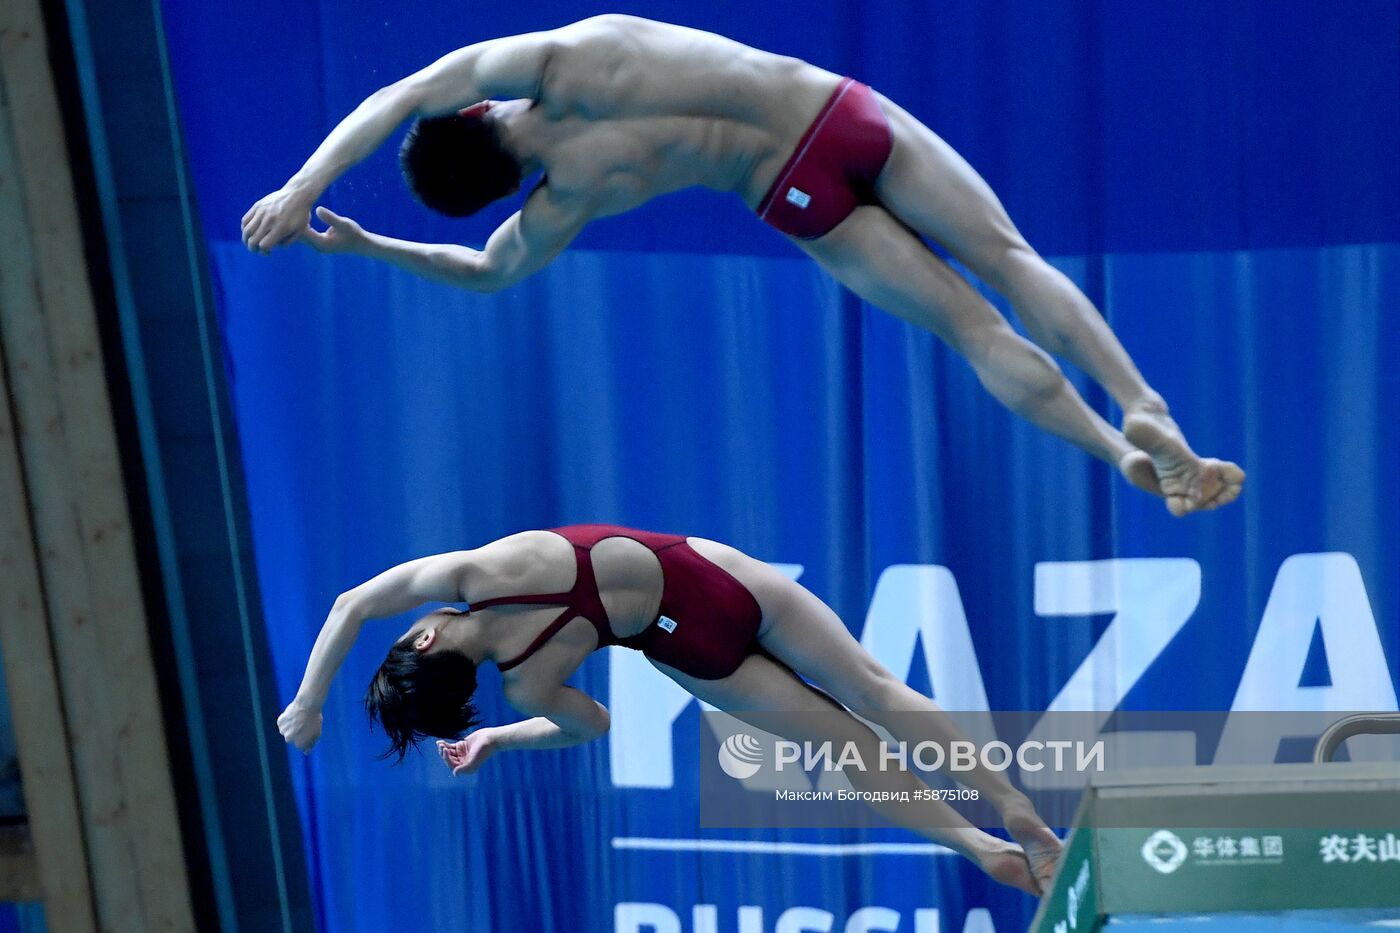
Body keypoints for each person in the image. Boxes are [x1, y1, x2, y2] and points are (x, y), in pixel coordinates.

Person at [242, 15, 1243, 517]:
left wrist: (367, 247)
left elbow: (488, 274)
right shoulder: (569, 51)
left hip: (788, 194)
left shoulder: (565, 196)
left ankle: (1113, 457)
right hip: (832, 115)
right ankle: (1135, 399)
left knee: (967, 329)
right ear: (471, 114)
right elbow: (395, 93)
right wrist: (303, 181)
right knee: (1010, 264)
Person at [276, 524, 1063, 896]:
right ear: (423, 632)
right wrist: (307, 704)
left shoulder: (526, 683)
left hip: (689, 651)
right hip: (710, 578)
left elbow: (592, 724)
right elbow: (351, 603)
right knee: (876, 691)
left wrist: (502, 739)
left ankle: (975, 847)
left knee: (848, 746)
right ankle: (1015, 810)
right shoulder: (476, 569)